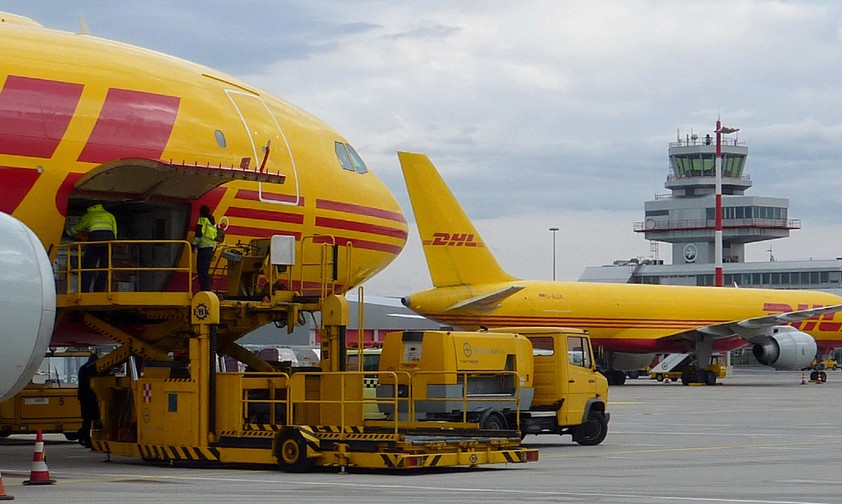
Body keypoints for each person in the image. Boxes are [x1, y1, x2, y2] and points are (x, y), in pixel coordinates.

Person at [69, 203, 117, 292]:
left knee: (88, 266)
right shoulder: (109, 215)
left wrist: (68, 233)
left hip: (95, 239)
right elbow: (115, 230)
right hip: (109, 241)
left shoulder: (89, 215)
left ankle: (84, 290)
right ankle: (99, 290)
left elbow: (78, 228)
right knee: (105, 268)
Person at [192, 205, 217, 291]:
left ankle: (204, 289)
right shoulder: (212, 222)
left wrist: (194, 244)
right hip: (210, 248)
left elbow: (199, 233)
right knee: (205, 269)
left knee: (201, 269)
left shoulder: (202, 219)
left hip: (203, 248)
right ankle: (207, 288)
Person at [76, 353, 99, 448]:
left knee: (87, 420)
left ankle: (83, 436)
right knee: (92, 419)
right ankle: (84, 436)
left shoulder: (83, 368)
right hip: (90, 398)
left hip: (84, 398)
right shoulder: (91, 369)